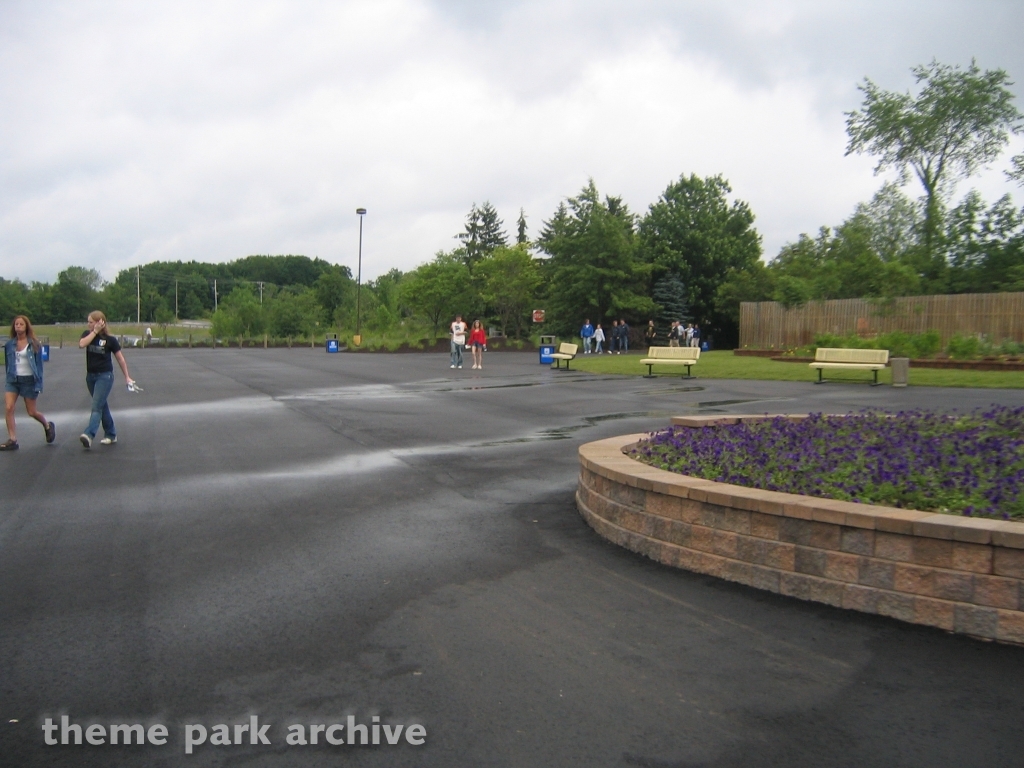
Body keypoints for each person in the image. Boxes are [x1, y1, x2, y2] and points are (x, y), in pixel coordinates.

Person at [78, 311, 135, 449]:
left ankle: (89, 434)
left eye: (91, 322)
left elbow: (120, 359)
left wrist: (127, 377)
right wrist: (94, 332)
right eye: (89, 322)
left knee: (96, 406)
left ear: (100, 322)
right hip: (91, 376)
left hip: (105, 376)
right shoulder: (87, 334)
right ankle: (110, 434)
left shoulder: (110, 340)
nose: (88, 324)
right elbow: (82, 344)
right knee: (102, 405)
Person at [3, 315, 55, 450]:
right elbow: (8, 363)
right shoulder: (9, 344)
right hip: (13, 379)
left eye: (21, 324)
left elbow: (39, 367)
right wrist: (9, 376)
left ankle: (47, 425)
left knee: (31, 412)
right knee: (9, 408)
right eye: (16, 324)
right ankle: (13, 439)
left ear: (26, 326)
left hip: (29, 381)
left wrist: (39, 384)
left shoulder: (34, 344)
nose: (18, 326)